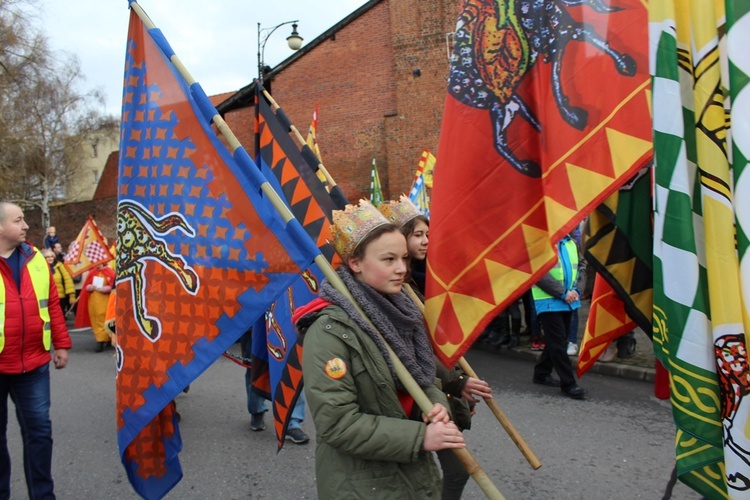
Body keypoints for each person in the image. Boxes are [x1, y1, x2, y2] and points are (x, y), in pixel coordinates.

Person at [295, 200, 464, 498]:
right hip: (364, 485)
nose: (402, 269)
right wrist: (421, 436)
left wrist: (437, 402)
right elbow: (337, 424)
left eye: (404, 259)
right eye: (388, 260)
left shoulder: (400, 312)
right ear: (356, 263)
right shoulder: (329, 330)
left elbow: (424, 376)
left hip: (413, 475)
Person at [380, 196, 491, 499]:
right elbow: (410, 347)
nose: (426, 241)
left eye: (428, 234)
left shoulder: (426, 277)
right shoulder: (393, 287)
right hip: (416, 391)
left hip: (437, 381)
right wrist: (455, 380)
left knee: (440, 469)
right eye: (417, 234)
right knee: (450, 469)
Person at [0, 202, 72, 499]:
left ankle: (43, 496)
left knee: (39, 435)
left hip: (34, 364)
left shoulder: (37, 259)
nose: (26, 226)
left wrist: (63, 344)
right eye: (19, 220)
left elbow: (52, 304)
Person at [531, 233, 588, 400]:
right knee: (558, 343)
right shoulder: (541, 243)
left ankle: (541, 373)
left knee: (557, 340)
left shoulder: (572, 242)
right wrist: (563, 293)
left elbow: (582, 266)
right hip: (549, 301)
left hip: (568, 299)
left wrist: (577, 290)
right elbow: (539, 273)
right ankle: (568, 384)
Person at [238, 328, 310, 444]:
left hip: (286, 319)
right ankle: (256, 411)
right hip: (254, 321)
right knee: (256, 368)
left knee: (292, 370)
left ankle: (293, 422)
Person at [75, 263, 115, 352]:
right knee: (96, 319)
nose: (97, 265)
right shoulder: (92, 273)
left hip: (106, 301)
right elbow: (86, 286)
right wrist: (90, 287)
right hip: (93, 301)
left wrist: (105, 288)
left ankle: (104, 339)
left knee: (105, 318)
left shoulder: (110, 272)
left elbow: (113, 286)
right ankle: (100, 339)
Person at [42, 248, 77, 316]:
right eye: (48, 257)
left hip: (61, 298)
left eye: (52, 256)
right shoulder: (41, 268)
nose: (50, 258)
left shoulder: (60, 266)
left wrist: (72, 296)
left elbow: (68, 281)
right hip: (47, 298)